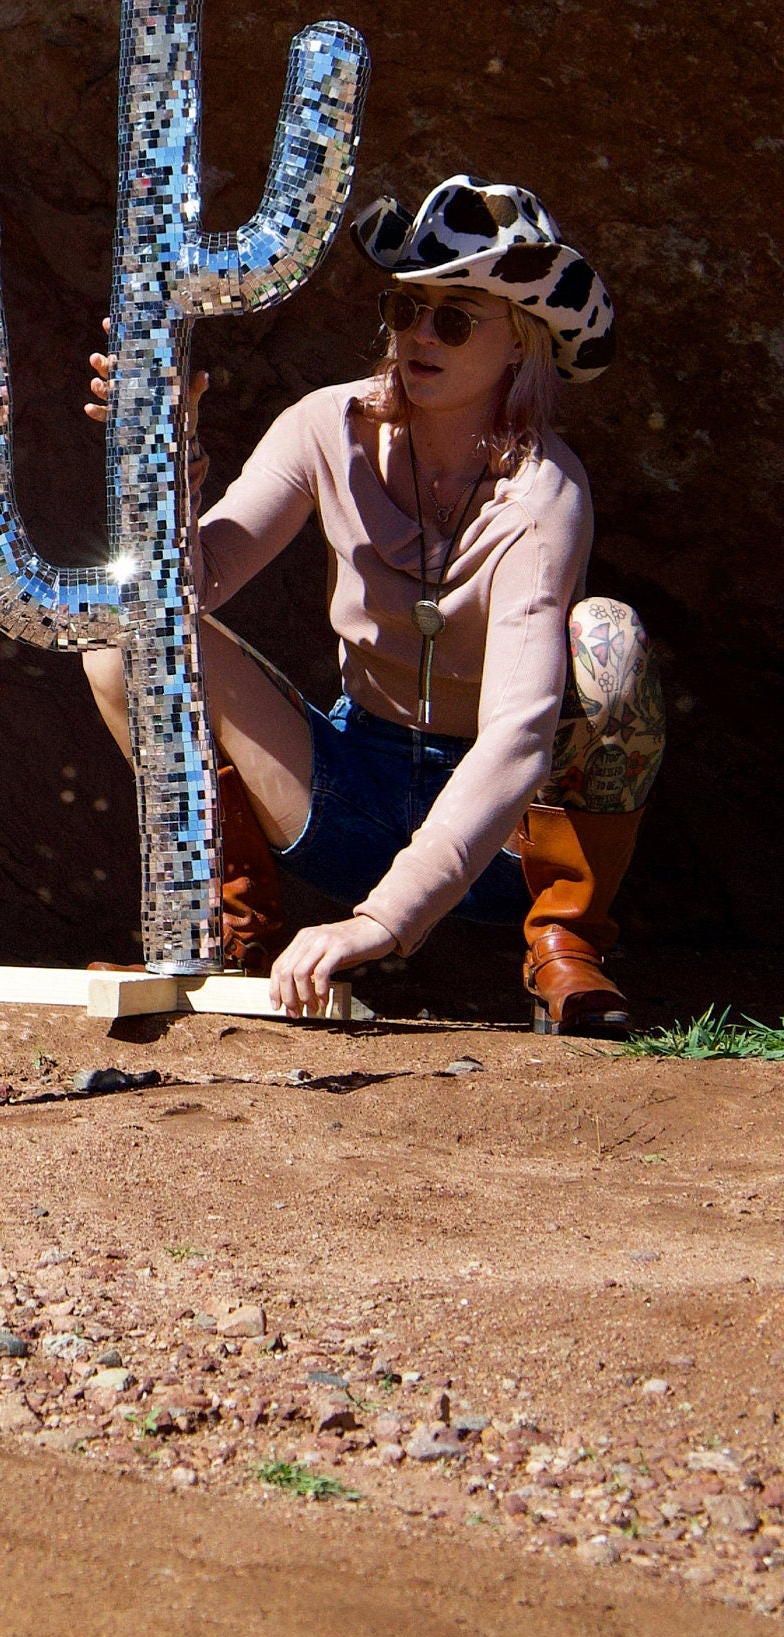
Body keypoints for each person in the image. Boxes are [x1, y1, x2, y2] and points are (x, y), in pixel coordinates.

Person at [84, 174, 661, 1032]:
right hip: (344, 789)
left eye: (455, 317)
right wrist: (168, 451)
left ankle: (562, 945)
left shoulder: (546, 492)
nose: (418, 335)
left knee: (608, 640)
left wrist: (379, 921)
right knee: (126, 637)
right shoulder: (327, 425)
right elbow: (189, 587)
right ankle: (224, 930)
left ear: (520, 344)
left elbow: (516, 735)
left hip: (505, 841)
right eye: (404, 310)